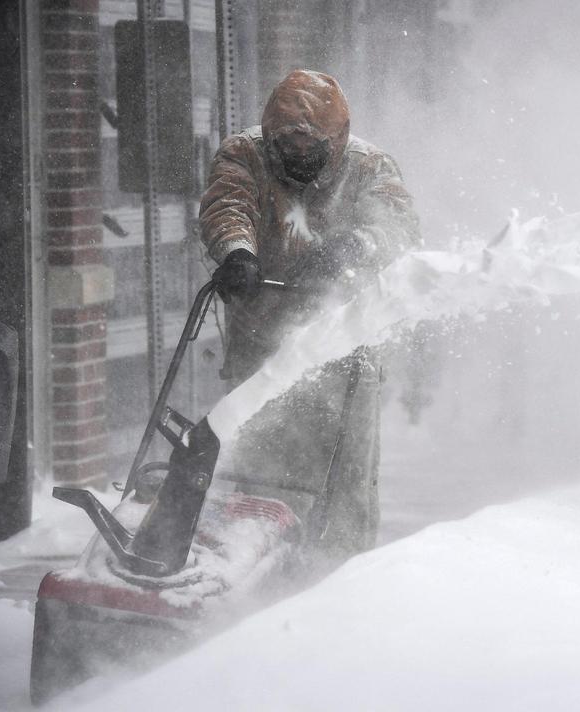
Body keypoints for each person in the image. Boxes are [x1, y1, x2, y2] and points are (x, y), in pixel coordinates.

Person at [199, 69, 420, 559]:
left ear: (336, 140)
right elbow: (227, 203)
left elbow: (399, 224)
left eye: (310, 145)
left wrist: (355, 246)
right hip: (261, 338)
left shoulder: (369, 167)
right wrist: (237, 252)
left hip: (346, 344)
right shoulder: (244, 155)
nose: (298, 155)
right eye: (287, 144)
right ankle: (253, 560)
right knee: (254, 460)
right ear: (268, 134)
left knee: (347, 476)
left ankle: (339, 573)